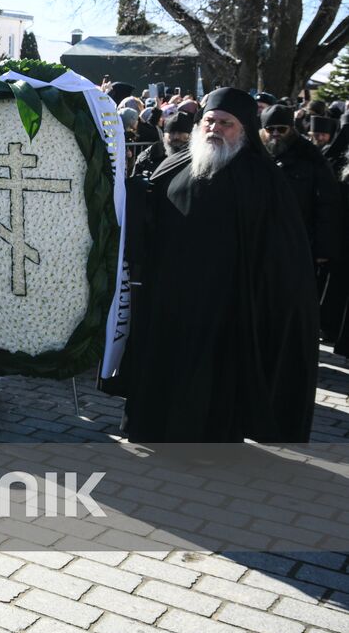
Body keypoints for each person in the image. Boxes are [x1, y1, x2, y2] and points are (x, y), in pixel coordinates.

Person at [121, 88, 320, 442]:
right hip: (170, 295)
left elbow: (282, 256)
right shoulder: (178, 163)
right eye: (209, 120)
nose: (215, 128)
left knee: (211, 381)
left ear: (243, 129)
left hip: (226, 304)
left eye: (225, 123)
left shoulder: (264, 180)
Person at [261, 103, 341, 268]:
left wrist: (323, 248)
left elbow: (328, 203)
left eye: (281, 129)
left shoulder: (311, 156)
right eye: (270, 129)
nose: (275, 134)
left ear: (291, 129)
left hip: (299, 242)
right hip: (263, 242)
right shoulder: (256, 154)